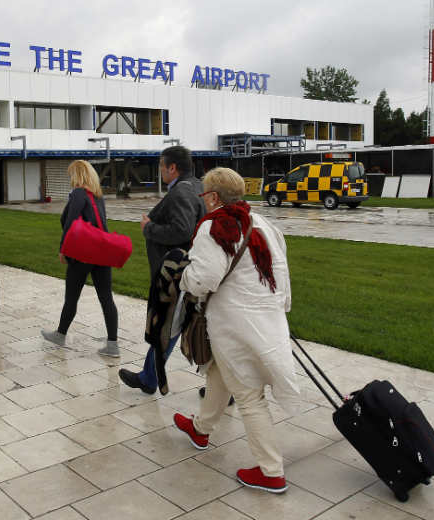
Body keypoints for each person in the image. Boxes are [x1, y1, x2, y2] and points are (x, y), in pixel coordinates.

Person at [172, 167, 300, 494]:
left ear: (213, 197)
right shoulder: (264, 224)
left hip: (233, 323)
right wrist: (279, 309)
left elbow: (203, 279)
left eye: (204, 195)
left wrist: (183, 279)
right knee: (218, 370)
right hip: (265, 317)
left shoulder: (216, 225)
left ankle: (271, 471)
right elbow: (281, 272)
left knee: (248, 395)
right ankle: (201, 428)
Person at [119, 146, 206, 393]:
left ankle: (149, 378)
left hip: (177, 273)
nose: (160, 171)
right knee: (180, 325)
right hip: (191, 270)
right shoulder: (196, 186)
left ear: (172, 168)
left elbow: (182, 230)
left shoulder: (181, 193)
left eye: (161, 166)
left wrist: (149, 228)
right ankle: (149, 376)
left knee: (170, 325)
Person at [40, 160, 120, 357]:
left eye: (70, 175)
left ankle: (60, 334)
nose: (69, 179)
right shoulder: (97, 195)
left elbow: (69, 222)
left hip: (83, 253)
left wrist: (63, 249)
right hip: (102, 253)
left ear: (77, 175)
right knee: (106, 297)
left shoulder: (78, 193)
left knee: (72, 297)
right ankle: (112, 345)